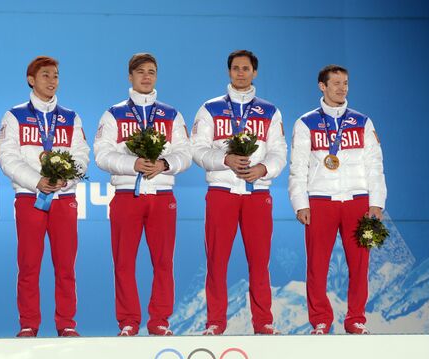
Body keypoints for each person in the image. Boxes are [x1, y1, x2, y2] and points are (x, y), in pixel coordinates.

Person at [94, 53, 191, 336]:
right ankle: (127, 321)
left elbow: (185, 153)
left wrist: (164, 164)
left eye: (151, 72)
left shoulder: (171, 114)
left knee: (163, 261)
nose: (146, 76)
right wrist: (131, 164)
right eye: (140, 72)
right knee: (124, 261)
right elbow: (101, 154)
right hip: (127, 195)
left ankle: (159, 320)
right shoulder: (114, 114)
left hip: (162, 195)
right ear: (130, 76)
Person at [191, 50, 287, 335]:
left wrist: (263, 170)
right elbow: (196, 149)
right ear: (229, 72)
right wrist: (225, 160)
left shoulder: (270, 111)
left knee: (260, 261)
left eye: (246, 68)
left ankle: (263, 322)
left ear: (255, 72)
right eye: (235, 68)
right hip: (222, 190)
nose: (241, 73)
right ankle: (215, 323)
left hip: (257, 193)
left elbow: (280, 152)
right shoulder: (210, 108)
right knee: (217, 260)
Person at [288, 64, 387, 335]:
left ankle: (356, 319)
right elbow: (297, 168)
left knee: (360, 263)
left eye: (345, 83)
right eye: (336, 83)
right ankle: (321, 319)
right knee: (317, 264)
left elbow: (375, 165)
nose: (342, 88)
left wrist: (376, 202)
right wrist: (301, 203)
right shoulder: (305, 122)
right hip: (320, 200)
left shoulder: (362, 122)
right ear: (322, 86)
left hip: (357, 200)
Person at [0, 56, 90, 337]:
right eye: (46, 75)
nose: (52, 81)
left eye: (56, 76)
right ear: (31, 79)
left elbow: (83, 156)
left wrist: (66, 178)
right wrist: (37, 181)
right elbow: (7, 157)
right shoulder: (14, 116)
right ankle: (28, 324)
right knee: (28, 264)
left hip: (64, 198)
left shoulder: (71, 117)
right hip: (30, 198)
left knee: (65, 266)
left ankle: (66, 324)